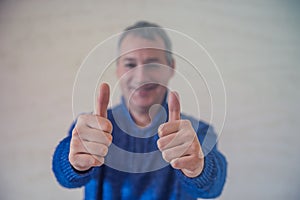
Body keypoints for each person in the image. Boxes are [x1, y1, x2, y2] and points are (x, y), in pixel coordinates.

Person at [52, 21, 227, 200]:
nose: (141, 77)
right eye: (130, 64)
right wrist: (74, 162)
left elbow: (213, 187)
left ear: (171, 67)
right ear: (118, 69)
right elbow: (65, 178)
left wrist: (198, 168)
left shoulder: (197, 133)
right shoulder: (91, 129)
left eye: (152, 63)